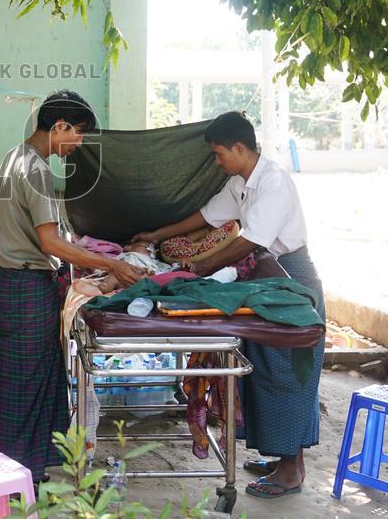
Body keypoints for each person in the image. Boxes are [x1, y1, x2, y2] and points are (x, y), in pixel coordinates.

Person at [132, 111, 323, 500]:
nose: (217, 162)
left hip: (291, 286)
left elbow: (248, 243)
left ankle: (292, 469)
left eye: (219, 154)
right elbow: (205, 216)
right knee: (265, 371)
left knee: (287, 375)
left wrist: (197, 268)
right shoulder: (240, 183)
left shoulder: (274, 184)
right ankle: (282, 458)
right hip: (265, 284)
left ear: (240, 147)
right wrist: (156, 234)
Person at [0, 90, 147, 485]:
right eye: (77, 135)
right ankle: (17, 477)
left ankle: (15, 472)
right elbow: (51, 244)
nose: (78, 145)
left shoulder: (13, 156)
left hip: (10, 284)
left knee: (12, 380)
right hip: (27, 287)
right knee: (29, 383)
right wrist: (111, 264)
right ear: (59, 126)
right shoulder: (36, 169)